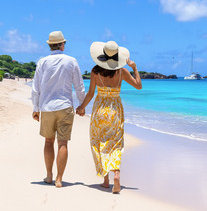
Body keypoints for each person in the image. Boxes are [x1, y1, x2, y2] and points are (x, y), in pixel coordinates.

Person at [76, 41, 141, 194]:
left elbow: (91, 93)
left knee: (98, 141)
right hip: (115, 110)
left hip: (99, 110)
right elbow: (138, 86)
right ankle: (116, 174)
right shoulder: (122, 72)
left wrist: (81, 107)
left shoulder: (95, 71)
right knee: (115, 143)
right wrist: (135, 68)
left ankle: (105, 181)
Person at [31, 31, 86, 188]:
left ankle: (49, 176)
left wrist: (36, 108)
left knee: (48, 141)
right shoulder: (71, 61)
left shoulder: (42, 62)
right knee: (63, 143)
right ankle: (59, 179)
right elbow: (79, 86)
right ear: (62, 45)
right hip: (64, 106)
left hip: (47, 107)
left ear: (50, 45)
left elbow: (36, 87)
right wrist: (82, 105)